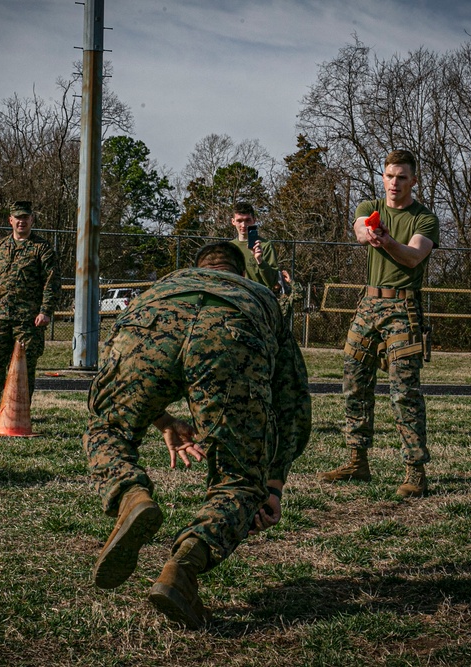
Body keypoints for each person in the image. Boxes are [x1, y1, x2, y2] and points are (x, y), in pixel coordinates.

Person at [84, 241, 311, 629]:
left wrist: (162, 420)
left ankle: (130, 495)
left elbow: (113, 378)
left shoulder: (166, 284)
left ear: (199, 267)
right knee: (238, 480)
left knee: (109, 427)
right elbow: (291, 401)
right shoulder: (257, 294)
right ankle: (181, 568)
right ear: (241, 273)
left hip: (149, 324)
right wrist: (271, 484)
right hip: (231, 331)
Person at [318, 149, 439, 498]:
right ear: (382, 178)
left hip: (403, 308)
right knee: (354, 380)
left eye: (402, 177)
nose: (394, 183)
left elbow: (414, 256)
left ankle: (415, 472)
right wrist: (369, 232)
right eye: (389, 176)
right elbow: (359, 229)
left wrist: (386, 240)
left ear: (413, 181)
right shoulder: (370, 207)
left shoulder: (424, 219)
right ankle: (357, 460)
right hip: (368, 303)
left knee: (404, 391)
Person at [0, 201, 60, 422]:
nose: (21, 221)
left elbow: (51, 282)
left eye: (25, 217)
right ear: (10, 220)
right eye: (17, 217)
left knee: (24, 368)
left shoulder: (42, 249)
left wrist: (45, 311)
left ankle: (20, 412)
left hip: (29, 321)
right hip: (0, 319)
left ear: (32, 220)